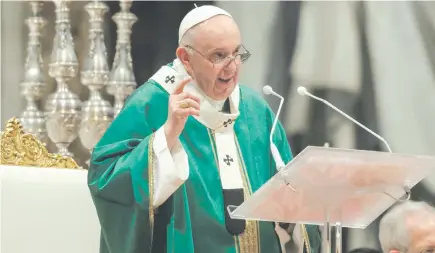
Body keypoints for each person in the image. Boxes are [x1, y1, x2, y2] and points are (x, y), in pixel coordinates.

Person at [87, 5, 321, 253]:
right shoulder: (154, 102)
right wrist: (166, 136)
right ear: (185, 57)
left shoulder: (254, 110)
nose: (231, 68)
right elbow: (105, 178)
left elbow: (291, 189)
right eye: (218, 56)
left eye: (236, 53)